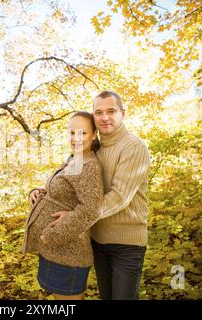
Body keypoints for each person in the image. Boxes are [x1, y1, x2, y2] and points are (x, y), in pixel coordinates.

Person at [30, 91, 150, 300]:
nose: (105, 117)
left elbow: (120, 196)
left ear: (123, 113)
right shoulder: (91, 149)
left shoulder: (134, 147)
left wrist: (76, 215)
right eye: (99, 112)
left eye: (111, 111)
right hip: (97, 238)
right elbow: (70, 185)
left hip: (126, 244)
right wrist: (41, 192)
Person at [21, 111, 104, 300]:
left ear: (93, 135)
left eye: (82, 133)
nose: (75, 138)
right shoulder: (75, 159)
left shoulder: (88, 165)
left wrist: (52, 236)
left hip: (68, 252)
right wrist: (37, 192)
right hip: (56, 251)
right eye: (72, 132)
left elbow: (91, 209)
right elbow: (61, 190)